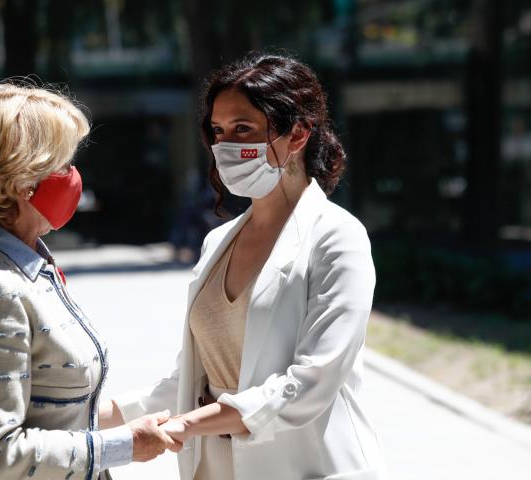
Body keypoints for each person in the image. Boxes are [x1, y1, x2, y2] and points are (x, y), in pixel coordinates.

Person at [99, 53, 386, 480]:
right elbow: (191, 381)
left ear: (297, 134)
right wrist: (91, 416)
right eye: (218, 131)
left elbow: (312, 382)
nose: (226, 145)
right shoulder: (217, 242)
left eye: (243, 129)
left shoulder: (337, 238)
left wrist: (187, 425)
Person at [0, 83, 179, 480]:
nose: (73, 176)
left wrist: (160, 402)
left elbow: (53, 412)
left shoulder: (22, 262)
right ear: (22, 180)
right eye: (63, 164)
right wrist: (124, 446)